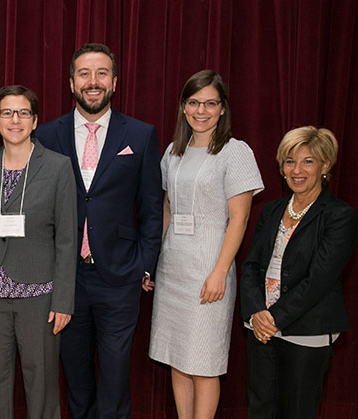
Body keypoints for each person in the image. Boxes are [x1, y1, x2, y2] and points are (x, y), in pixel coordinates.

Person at [34, 42, 163, 419]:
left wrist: (144, 264)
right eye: (85, 74)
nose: (94, 82)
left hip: (120, 278)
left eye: (102, 73)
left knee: (115, 376)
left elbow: (152, 209)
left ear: (115, 82)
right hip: (67, 279)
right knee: (75, 377)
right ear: (71, 82)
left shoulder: (140, 135)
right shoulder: (46, 135)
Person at [147, 70, 264, 418]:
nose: (202, 110)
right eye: (194, 102)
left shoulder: (235, 152)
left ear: (223, 109)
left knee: (203, 362)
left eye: (210, 103)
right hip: (173, 271)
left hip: (209, 271)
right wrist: (154, 262)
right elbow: (167, 208)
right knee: (178, 360)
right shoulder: (173, 151)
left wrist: (220, 271)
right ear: (184, 107)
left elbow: (240, 218)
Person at [0, 85, 77, 418]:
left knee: (41, 384)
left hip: (40, 294)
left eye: (24, 112)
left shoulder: (58, 167)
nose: (16, 120)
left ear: (35, 120)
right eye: (7, 113)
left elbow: (68, 238)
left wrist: (64, 301)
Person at [240, 126, 357, 419]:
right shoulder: (270, 210)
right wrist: (257, 313)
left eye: (308, 161)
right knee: (261, 410)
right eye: (290, 161)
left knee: (297, 412)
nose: (297, 170)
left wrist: (275, 317)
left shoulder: (339, 216)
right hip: (261, 328)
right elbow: (252, 266)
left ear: (325, 165)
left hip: (307, 331)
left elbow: (319, 279)